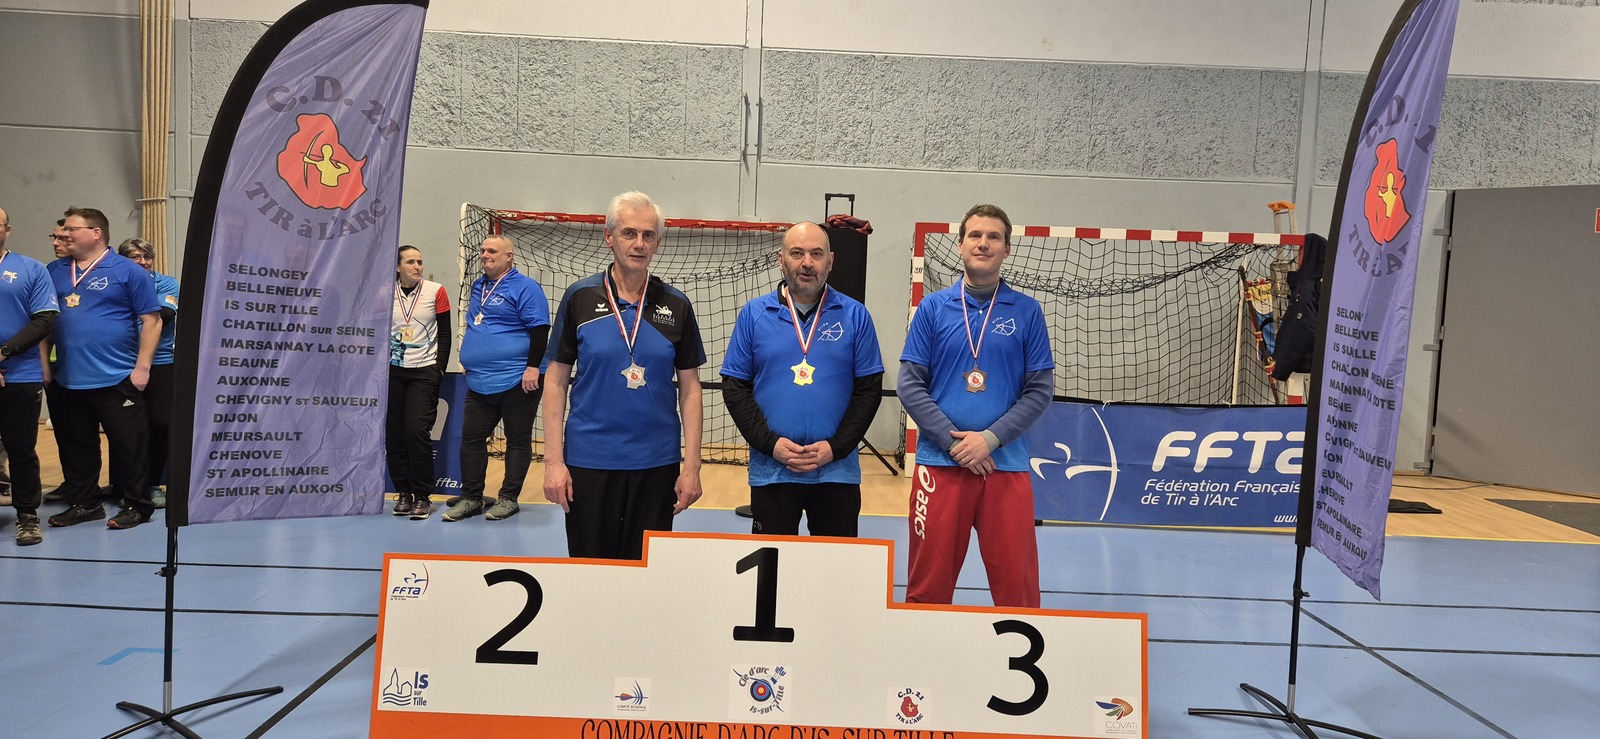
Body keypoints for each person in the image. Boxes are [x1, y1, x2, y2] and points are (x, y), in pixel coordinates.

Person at [897, 203, 1054, 607]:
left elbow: (1040, 391)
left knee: (1019, 591)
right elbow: (910, 385)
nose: (983, 243)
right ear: (961, 245)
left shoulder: (1027, 312)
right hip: (940, 466)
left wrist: (989, 439)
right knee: (927, 590)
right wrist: (954, 443)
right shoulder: (933, 308)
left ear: (1007, 249)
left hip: (1005, 467)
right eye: (975, 235)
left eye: (994, 237)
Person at [542, 191, 705, 559]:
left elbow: (691, 389)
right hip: (589, 459)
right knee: (590, 569)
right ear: (609, 237)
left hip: (656, 462)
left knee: (644, 573)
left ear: (658, 242)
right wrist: (553, 462)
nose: (639, 243)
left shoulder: (676, 304)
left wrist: (692, 467)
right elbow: (555, 380)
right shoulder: (579, 297)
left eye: (648, 235)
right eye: (629, 233)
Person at [721, 222, 883, 537]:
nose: (807, 263)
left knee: (834, 563)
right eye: (797, 253)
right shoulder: (754, 314)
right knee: (771, 565)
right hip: (773, 471)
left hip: (837, 473)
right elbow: (736, 388)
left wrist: (836, 448)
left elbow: (868, 390)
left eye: (816, 254)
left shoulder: (856, 315)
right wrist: (770, 445)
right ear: (781, 260)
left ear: (830, 262)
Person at [42, 207, 161, 530]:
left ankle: (137, 505)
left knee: (129, 446)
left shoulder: (128, 271)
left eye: (71, 229)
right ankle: (85, 503)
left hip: (117, 376)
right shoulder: (54, 270)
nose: (64, 234)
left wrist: (142, 369)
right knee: (75, 446)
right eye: (63, 230)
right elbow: (44, 320)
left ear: (96, 233)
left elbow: (152, 321)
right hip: (68, 377)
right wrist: (45, 366)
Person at [443, 235, 549, 522]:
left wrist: (532, 368)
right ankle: (471, 498)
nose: (485, 255)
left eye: (492, 251)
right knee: (471, 438)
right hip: (480, 380)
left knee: (517, 439)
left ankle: (508, 499)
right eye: (483, 250)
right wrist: (471, 357)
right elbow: (478, 324)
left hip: (518, 378)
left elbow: (540, 329)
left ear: (509, 257)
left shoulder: (526, 287)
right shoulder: (479, 286)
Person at [0, 207, 59, 545]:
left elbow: (45, 320)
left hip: (21, 375)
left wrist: (5, 352)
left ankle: (27, 516)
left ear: (7, 229)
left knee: (21, 449)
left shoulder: (31, 269)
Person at [388, 245, 451, 520]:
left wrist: (438, 369)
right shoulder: (384, 291)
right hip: (392, 371)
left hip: (424, 371)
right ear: (398, 267)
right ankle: (403, 492)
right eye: (411, 262)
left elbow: (445, 334)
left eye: (420, 262)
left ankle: (423, 495)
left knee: (416, 432)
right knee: (394, 434)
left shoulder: (436, 291)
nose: (417, 267)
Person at [117, 238, 178, 508]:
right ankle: (125, 484)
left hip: (161, 362)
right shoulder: (116, 283)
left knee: (160, 424)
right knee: (126, 428)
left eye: (147, 257)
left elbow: (164, 314)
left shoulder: (166, 284)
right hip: (122, 361)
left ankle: (153, 483)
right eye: (135, 257)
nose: (143, 262)